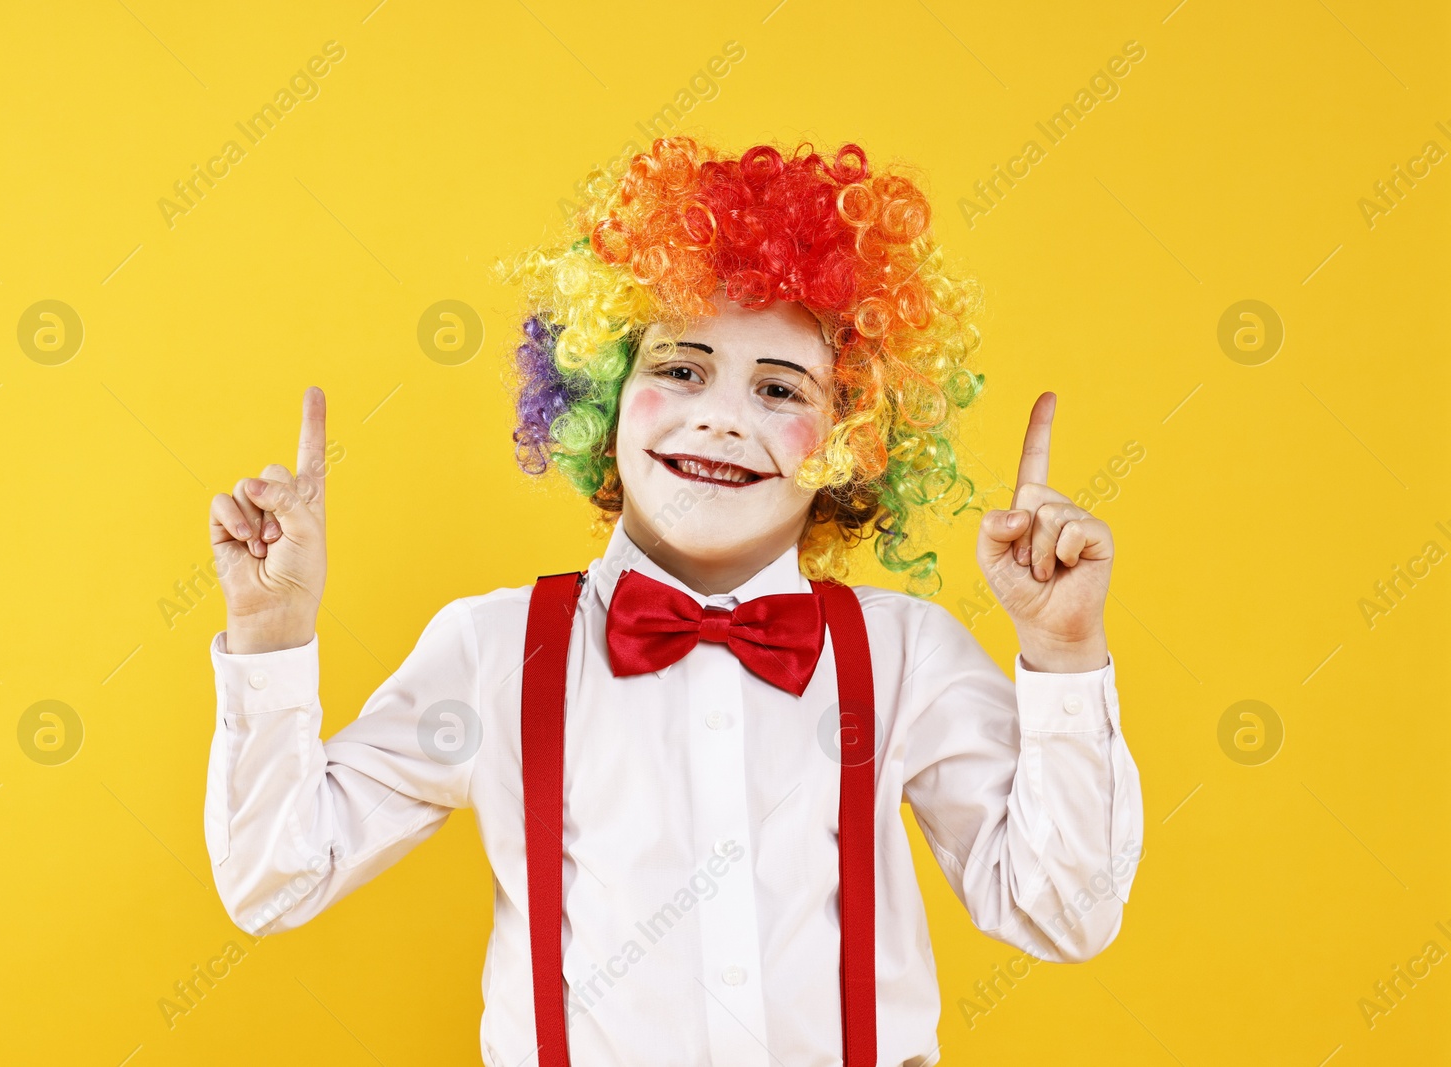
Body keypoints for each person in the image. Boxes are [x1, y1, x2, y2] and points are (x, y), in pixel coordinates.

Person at [203, 137, 1142, 1067]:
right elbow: (276, 882)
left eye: (780, 389)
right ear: (600, 395)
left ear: (852, 439)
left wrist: (1062, 656)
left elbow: (1062, 910)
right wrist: (270, 636)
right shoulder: (493, 650)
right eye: (681, 369)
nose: (724, 417)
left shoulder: (907, 658)